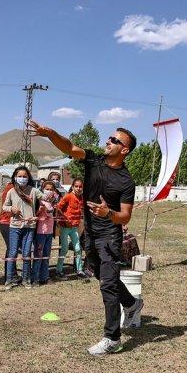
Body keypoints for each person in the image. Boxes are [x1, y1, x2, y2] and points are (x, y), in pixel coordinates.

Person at [30, 121, 144, 356]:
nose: (108, 141)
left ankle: (112, 338)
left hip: (109, 233)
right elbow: (70, 147)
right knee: (98, 272)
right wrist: (50, 133)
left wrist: (107, 213)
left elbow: (125, 217)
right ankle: (132, 304)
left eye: (114, 140)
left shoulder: (126, 181)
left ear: (124, 150)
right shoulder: (94, 160)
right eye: (110, 138)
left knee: (108, 284)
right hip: (89, 231)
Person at [2, 166, 44, 290]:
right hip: (14, 226)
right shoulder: (11, 191)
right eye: (19, 176)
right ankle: (9, 280)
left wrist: (48, 197)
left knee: (26, 254)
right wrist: (12, 209)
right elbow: (5, 207)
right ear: (15, 177)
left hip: (29, 226)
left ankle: (26, 280)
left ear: (28, 177)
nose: (22, 178)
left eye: (24, 176)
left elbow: (45, 199)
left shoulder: (33, 191)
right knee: (13, 253)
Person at [55, 178, 85, 278]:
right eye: (76, 186)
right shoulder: (68, 196)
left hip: (74, 228)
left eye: (80, 186)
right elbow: (58, 207)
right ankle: (58, 270)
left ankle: (80, 270)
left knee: (78, 249)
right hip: (65, 227)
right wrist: (64, 219)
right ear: (72, 187)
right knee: (64, 249)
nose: (78, 188)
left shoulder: (81, 199)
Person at [31, 180, 57, 286]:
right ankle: (35, 278)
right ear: (42, 189)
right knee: (38, 255)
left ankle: (44, 277)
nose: (49, 191)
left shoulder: (53, 201)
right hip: (40, 231)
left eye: (51, 189)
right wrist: (39, 210)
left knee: (46, 255)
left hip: (49, 231)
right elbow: (33, 215)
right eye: (47, 189)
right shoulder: (39, 200)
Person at [0, 181, 17, 283]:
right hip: (7, 222)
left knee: (13, 249)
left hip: (16, 222)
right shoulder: (11, 188)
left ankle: (12, 273)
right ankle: (10, 275)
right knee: (11, 249)